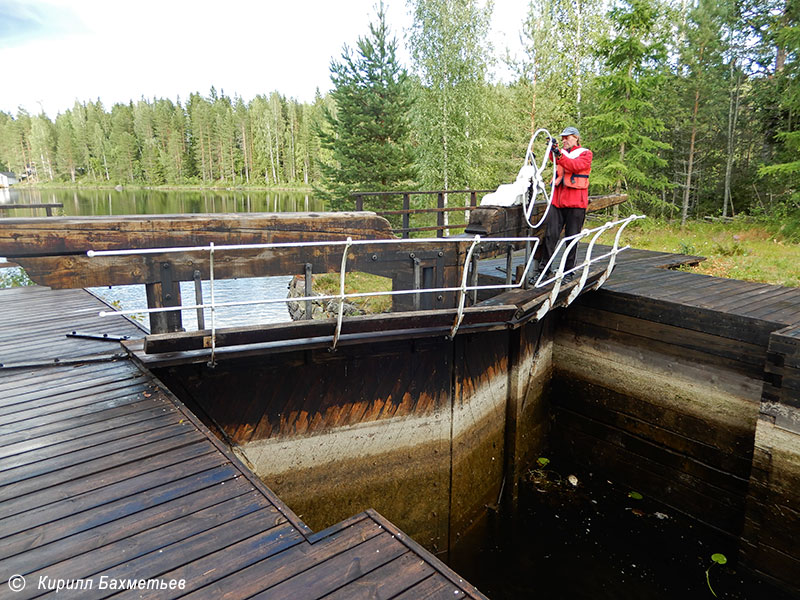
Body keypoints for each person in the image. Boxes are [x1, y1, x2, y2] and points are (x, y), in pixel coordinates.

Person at [538, 126, 593, 282]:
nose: (564, 140)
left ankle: (569, 272)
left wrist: (558, 153)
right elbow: (553, 158)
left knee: (572, 238)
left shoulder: (586, 153)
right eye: (562, 138)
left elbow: (574, 166)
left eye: (567, 137)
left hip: (576, 203)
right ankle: (544, 270)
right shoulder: (561, 154)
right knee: (550, 235)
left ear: (576, 138)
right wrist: (552, 148)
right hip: (558, 201)